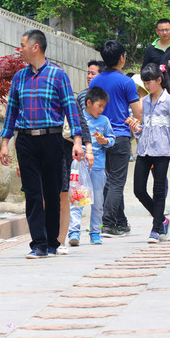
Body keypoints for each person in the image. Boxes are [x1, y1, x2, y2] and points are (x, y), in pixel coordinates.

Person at [0, 30, 84, 258]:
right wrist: (5, 142)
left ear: (35, 47)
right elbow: (11, 112)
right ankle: (38, 243)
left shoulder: (58, 75)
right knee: (33, 193)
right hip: (25, 140)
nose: (21, 49)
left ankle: (52, 242)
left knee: (52, 191)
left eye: (23, 45)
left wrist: (77, 140)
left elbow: (71, 110)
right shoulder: (19, 78)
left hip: (52, 139)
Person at [134, 65, 170, 243]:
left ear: (159, 80)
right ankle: (162, 219)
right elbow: (146, 125)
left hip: (162, 149)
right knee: (139, 190)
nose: (146, 85)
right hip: (144, 148)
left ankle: (156, 228)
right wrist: (137, 129)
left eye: (149, 81)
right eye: (144, 82)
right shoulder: (146, 101)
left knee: (158, 190)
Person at [96, 40, 143, 236]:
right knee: (116, 181)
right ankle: (107, 223)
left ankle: (121, 222)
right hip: (121, 136)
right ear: (122, 58)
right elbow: (138, 112)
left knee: (110, 180)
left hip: (100, 136)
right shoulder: (126, 82)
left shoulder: (95, 81)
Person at [69, 86, 113, 246]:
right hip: (81, 166)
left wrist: (106, 141)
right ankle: (74, 231)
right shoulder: (79, 120)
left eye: (103, 107)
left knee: (98, 201)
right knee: (78, 198)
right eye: (99, 105)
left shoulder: (104, 121)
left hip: (98, 167)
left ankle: (95, 231)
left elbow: (112, 138)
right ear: (88, 102)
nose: (101, 109)